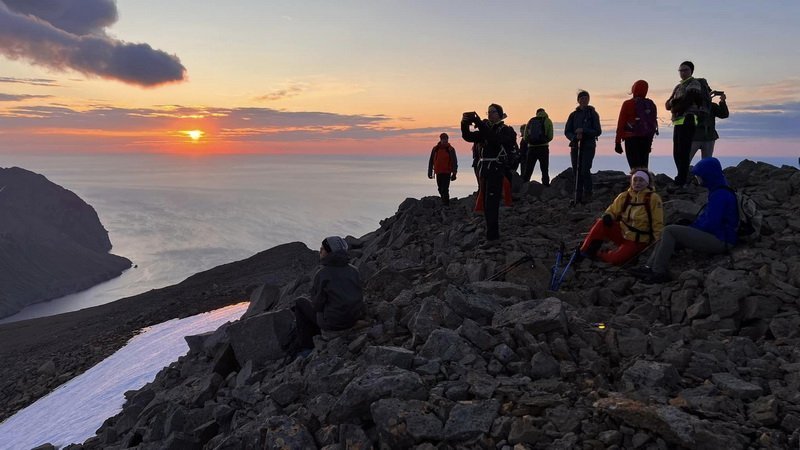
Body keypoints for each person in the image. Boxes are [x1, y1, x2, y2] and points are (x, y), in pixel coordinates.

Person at [630, 157, 738, 284]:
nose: (697, 179)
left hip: (721, 240)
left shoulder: (720, 195)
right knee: (668, 232)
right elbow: (710, 219)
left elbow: (711, 224)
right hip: (720, 236)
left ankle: (658, 272)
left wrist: (692, 227)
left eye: (699, 176)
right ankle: (649, 267)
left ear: (708, 176)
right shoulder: (719, 190)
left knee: (669, 230)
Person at [292, 236, 364, 352]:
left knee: (300, 302)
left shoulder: (322, 274)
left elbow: (317, 306)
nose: (320, 251)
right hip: (353, 319)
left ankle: (306, 347)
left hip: (333, 325)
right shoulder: (354, 270)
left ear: (330, 252)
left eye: (322, 249)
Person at [580, 169, 663, 265]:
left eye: (641, 180)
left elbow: (657, 222)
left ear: (647, 183)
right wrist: (608, 216)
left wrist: (658, 242)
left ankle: (600, 254)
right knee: (601, 222)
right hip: (622, 233)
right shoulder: (624, 196)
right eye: (635, 180)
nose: (637, 183)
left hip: (637, 240)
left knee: (616, 260)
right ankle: (584, 251)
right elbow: (612, 210)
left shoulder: (653, 198)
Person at [461, 103, 518, 244]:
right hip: (485, 170)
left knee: (491, 203)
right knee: (487, 203)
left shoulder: (506, 130)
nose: (490, 114)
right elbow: (468, 137)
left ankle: (493, 237)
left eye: (493, 112)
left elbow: (494, 139)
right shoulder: (486, 129)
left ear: (500, 114)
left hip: (496, 170)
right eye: (488, 112)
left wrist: (479, 123)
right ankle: (491, 234)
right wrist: (464, 124)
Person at [665, 61, 705, 187]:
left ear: (691, 71)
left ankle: (682, 179)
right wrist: (674, 104)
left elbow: (687, 102)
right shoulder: (678, 87)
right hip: (678, 122)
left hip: (688, 120)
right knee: (677, 152)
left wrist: (674, 105)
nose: (682, 72)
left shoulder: (694, 84)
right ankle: (680, 176)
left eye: (685, 70)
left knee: (683, 151)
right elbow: (667, 104)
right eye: (680, 70)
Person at [565, 91, 601, 204]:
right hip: (576, 145)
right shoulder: (573, 115)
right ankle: (577, 196)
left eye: (586, 98)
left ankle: (588, 194)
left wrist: (584, 130)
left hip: (588, 145)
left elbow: (598, 131)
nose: (584, 100)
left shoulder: (593, 114)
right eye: (582, 98)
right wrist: (574, 137)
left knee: (585, 169)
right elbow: (567, 131)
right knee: (576, 170)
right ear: (578, 100)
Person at [615, 80, 658, 169]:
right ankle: (644, 177)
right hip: (645, 139)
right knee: (644, 167)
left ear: (634, 89)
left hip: (631, 138)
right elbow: (653, 125)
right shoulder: (651, 105)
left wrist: (617, 142)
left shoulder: (628, 104)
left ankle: (636, 178)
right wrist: (649, 144)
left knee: (634, 167)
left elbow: (621, 123)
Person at [690, 92, 729, 161]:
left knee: (705, 161)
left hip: (706, 137)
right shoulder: (692, 106)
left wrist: (722, 101)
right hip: (698, 137)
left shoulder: (711, 106)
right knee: (688, 160)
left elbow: (724, 114)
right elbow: (724, 114)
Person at [523, 108, 554, 185]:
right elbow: (550, 136)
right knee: (544, 169)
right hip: (543, 148)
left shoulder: (531, 120)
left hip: (531, 148)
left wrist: (530, 142)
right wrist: (544, 140)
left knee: (528, 169)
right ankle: (546, 186)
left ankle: (524, 186)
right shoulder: (548, 121)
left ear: (537, 113)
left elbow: (525, 137)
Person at [427, 133, 458, 205]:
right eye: (443, 139)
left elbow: (454, 161)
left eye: (446, 139)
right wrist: (429, 172)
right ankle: (444, 201)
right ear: (440, 139)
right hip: (438, 172)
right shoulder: (435, 149)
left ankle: (446, 204)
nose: (445, 140)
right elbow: (431, 161)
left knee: (445, 189)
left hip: (447, 172)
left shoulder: (451, 149)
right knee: (440, 188)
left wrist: (454, 173)